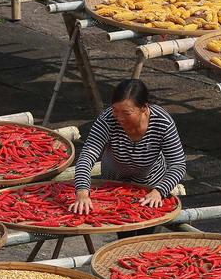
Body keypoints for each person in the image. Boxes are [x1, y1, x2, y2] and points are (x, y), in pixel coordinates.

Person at [69, 79, 187, 231]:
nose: (119, 117)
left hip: (149, 185)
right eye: (115, 110)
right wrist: (82, 192)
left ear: (144, 108)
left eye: (126, 113)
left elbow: (178, 164)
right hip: (114, 185)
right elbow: (87, 156)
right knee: (122, 229)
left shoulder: (162, 122)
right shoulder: (107, 120)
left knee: (147, 229)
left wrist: (159, 191)